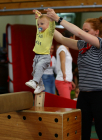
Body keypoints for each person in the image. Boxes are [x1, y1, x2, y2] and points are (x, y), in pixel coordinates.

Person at [45, 8, 102, 140]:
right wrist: (46, 24)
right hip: (83, 96)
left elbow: (79, 33)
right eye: (84, 30)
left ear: (96, 32)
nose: (83, 33)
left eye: (87, 31)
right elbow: (61, 38)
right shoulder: (82, 45)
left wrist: (58, 18)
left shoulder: (100, 44)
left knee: (100, 129)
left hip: (99, 95)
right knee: (82, 130)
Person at [25, 10, 55, 94]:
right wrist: (37, 14)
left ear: (48, 25)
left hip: (44, 56)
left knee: (38, 67)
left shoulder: (49, 32)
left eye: (42, 24)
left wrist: (52, 20)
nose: (39, 26)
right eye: (38, 24)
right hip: (36, 56)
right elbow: (38, 21)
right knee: (35, 72)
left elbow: (52, 27)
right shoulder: (39, 30)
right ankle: (41, 86)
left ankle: (35, 82)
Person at [55, 30, 76, 99]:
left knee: (66, 105)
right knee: (66, 106)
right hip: (62, 80)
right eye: (74, 38)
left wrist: (70, 80)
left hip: (67, 80)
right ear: (71, 38)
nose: (75, 40)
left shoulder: (66, 49)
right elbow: (62, 61)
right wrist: (64, 74)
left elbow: (67, 66)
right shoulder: (62, 48)